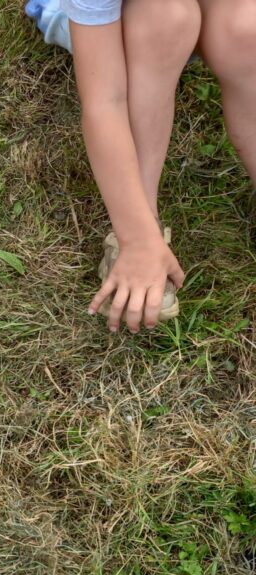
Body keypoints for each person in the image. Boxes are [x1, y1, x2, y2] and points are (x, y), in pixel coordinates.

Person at [61, 0, 256, 333]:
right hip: (111, 26)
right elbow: (104, 101)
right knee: (166, 17)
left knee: (245, 30)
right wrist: (138, 239)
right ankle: (141, 228)